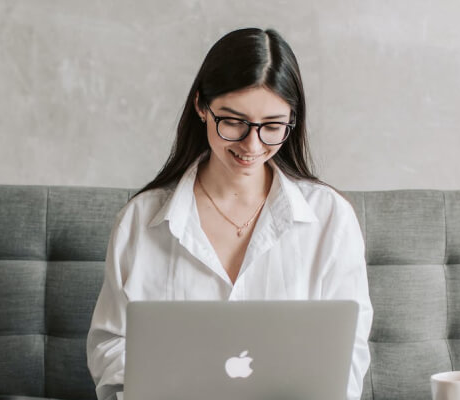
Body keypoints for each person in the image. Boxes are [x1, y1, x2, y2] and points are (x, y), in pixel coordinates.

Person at [86, 27, 373, 400]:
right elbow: (112, 345)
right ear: (201, 106)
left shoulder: (331, 218)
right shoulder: (140, 222)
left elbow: (347, 354)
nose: (251, 145)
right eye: (233, 122)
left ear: (292, 121)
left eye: (272, 126)